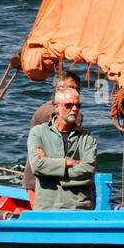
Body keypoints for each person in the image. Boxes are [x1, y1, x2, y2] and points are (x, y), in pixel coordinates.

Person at [27, 79, 97, 210]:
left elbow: (88, 170)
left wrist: (51, 168)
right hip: (47, 208)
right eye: (69, 105)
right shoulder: (38, 133)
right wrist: (70, 163)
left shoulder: (87, 138)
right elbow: (37, 166)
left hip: (78, 208)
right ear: (57, 107)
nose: (74, 109)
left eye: (78, 105)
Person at [23, 71, 81, 208]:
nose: (76, 92)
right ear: (58, 89)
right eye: (72, 88)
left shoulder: (71, 113)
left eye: (77, 89)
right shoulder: (48, 113)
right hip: (39, 181)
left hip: (57, 177)